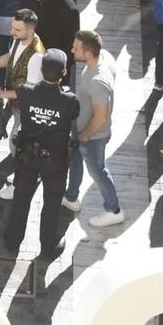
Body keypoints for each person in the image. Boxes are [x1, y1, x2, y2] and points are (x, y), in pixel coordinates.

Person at [2, 48, 80, 260]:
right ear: (64, 73)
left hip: (27, 156)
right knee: (51, 204)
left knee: (21, 198)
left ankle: (12, 241)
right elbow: (74, 115)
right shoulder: (69, 100)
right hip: (55, 160)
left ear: (42, 69)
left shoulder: (25, 91)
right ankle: (48, 247)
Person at [64, 30, 124, 226]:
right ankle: (71, 197)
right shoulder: (103, 56)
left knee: (98, 171)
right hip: (82, 127)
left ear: (88, 54)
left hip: (93, 136)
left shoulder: (98, 82)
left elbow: (100, 117)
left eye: (76, 49)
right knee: (76, 161)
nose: (72, 51)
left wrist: (85, 135)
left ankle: (114, 209)